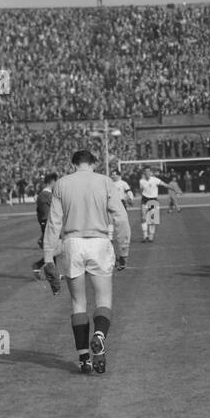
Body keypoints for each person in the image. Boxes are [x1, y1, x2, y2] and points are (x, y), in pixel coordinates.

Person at [40, 149, 131, 374]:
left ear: (73, 163)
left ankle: (83, 358)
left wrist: (48, 256)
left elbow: (53, 224)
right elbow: (120, 218)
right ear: (93, 163)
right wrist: (123, 249)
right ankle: (99, 336)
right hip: (99, 242)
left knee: (78, 302)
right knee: (103, 299)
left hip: (72, 243)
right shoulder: (105, 181)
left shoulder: (61, 184)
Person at [32, 173, 58, 279]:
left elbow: (38, 212)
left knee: (54, 249)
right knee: (55, 249)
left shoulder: (43, 194)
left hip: (47, 223)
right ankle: (39, 265)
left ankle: (53, 273)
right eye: (56, 181)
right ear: (52, 182)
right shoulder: (46, 195)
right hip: (48, 224)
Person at [137, 166, 160, 241]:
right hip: (144, 200)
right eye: (145, 171)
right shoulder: (141, 181)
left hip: (153, 200)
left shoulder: (155, 180)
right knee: (143, 218)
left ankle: (151, 235)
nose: (147, 172)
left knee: (152, 219)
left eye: (148, 171)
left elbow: (164, 184)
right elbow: (141, 189)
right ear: (144, 173)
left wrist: (175, 189)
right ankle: (145, 235)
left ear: (150, 172)